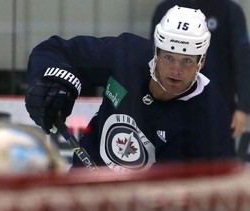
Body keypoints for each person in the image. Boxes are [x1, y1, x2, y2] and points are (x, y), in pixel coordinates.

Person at [25, 5, 235, 173]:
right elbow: (55, 51)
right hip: (80, 191)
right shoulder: (127, 57)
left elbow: (199, 191)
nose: (176, 70)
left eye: (187, 61)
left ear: (202, 62)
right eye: (169, 57)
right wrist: (53, 83)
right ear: (157, 52)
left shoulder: (209, 116)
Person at [149, 0, 250, 138]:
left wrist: (243, 108)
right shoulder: (165, 9)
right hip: (171, 106)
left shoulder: (230, 10)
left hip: (217, 106)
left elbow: (243, 62)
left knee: (217, 156)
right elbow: (153, 59)